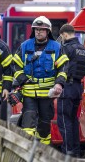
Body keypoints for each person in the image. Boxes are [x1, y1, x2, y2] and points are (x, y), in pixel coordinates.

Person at [12, 16, 64, 145]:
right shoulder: (25, 46)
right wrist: (22, 79)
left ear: (48, 32)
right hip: (29, 94)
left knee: (44, 125)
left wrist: (59, 83)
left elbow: (64, 67)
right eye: (36, 29)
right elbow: (15, 64)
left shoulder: (57, 47)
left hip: (47, 94)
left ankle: (43, 151)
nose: (39, 32)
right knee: (28, 123)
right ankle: (27, 150)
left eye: (42, 29)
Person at [55, 23, 85, 157]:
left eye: (62, 37)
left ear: (64, 34)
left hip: (66, 87)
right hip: (77, 88)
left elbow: (59, 65)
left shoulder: (66, 48)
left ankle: (67, 152)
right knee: (74, 120)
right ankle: (75, 151)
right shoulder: (83, 49)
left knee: (64, 121)